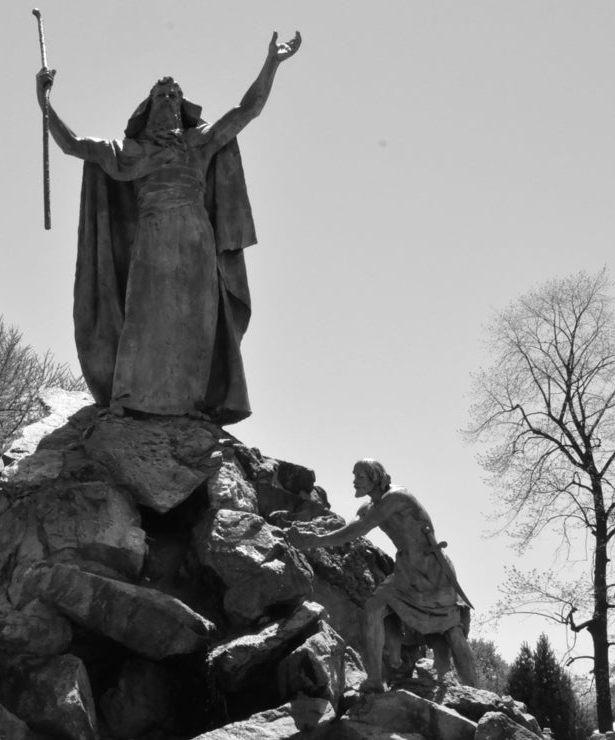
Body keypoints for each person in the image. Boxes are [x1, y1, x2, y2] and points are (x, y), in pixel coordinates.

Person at [35, 31, 300, 423]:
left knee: (196, 319)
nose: (168, 99)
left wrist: (271, 64)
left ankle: (193, 403)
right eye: (161, 95)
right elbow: (73, 144)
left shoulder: (199, 143)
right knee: (142, 316)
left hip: (195, 238)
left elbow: (248, 110)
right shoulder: (128, 152)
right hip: (153, 235)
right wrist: (44, 103)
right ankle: (128, 398)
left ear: (183, 107)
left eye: (174, 96)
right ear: (147, 107)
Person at [287, 459, 478, 692]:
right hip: (406, 574)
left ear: (376, 478)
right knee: (374, 607)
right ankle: (375, 680)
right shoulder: (369, 508)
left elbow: (360, 529)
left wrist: (316, 541)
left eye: (360, 477)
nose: (354, 481)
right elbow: (350, 527)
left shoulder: (397, 498)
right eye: (354, 476)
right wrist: (312, 532)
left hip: (433, 572)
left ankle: (477, 692)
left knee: (451, 628)